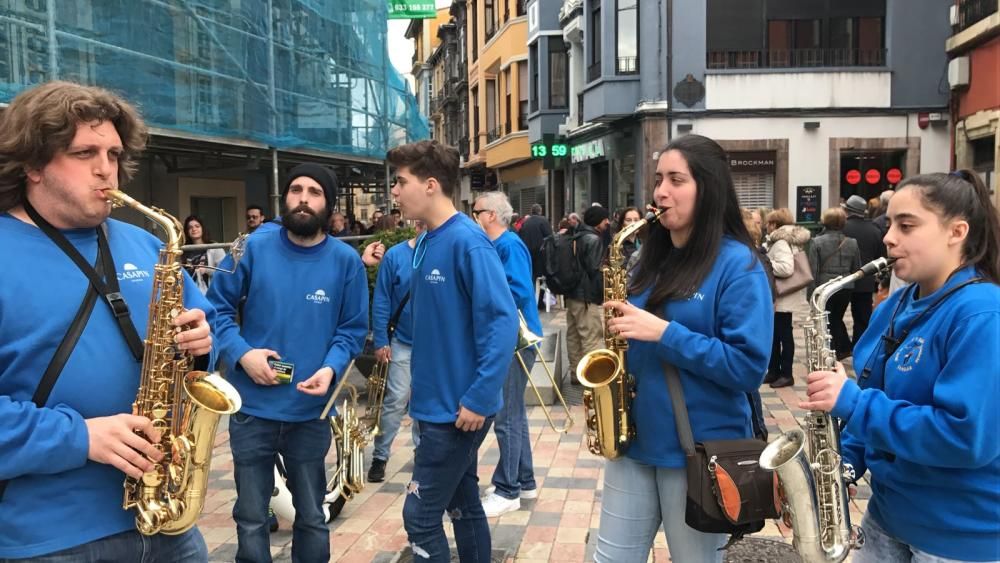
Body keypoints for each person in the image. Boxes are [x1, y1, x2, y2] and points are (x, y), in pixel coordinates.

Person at [0, 81, 215, 561]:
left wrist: (203, 341)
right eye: (84, 153)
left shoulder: (144, 243)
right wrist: (79, 437)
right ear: (32, 163)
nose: (106, 170)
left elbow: (207, 323)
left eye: (114, 153)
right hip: (50, 538)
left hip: (167, 519)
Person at [802, 170, 1000, 562]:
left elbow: (966, 439)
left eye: (906, 226)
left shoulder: (982, 315)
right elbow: (876, 394)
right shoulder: (896, 304)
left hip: (957, 536)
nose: (889, 237)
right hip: (887, 519)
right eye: (890, 223)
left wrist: (854, 405)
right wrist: (845, 463)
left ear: (956, 232)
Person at [593, 134, 772, 562]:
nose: (660, 191)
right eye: (659, 179)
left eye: (676, 179)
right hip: (633, 445)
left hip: (697, 456)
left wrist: (664, 334)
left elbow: (748, 367)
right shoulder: (647, 261)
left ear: (707, 189)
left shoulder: (739, 266)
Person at [207, 163, 368, 563]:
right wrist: (243, 354)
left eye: (314, 192)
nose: (303, 198)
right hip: (253, 407)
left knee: (312, 516)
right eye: (296, 189)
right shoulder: (251, 248)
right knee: (249, 516)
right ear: (285, 197)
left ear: (328, 204)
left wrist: (330, 368)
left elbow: (351, 329)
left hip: (309, 412)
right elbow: (215, 310)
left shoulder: (345, 262)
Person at [387, 140, 518, 563]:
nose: (394, 191)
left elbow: (501, 323)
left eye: (400, 182)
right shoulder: (426, 242)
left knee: (420, 516)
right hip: (435, 406)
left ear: (429, 185)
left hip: (459, 412)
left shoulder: (469, 242)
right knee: (463, 505)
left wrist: (479, 398)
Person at [472, 192, 543, 517]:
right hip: (511, 339)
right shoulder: (500, 244)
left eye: (476, 211)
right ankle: (524, 482)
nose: (473, 217)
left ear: (491, 215)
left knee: (507, 417)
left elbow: (517, 291)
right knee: (515, 415)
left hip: (514, 340)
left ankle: (507, 489)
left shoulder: (508, 245)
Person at [367, 219, 426, 483]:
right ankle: (380, 456)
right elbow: (381, 298)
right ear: (417, 227)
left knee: (426, 403)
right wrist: (381, 339)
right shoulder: (395, 256)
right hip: (401, 341)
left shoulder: (444, 255)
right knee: (395, 400)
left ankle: (423, 454)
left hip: (434, 345)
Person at [763, 208, 811, 388]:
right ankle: (774, 370)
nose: (766, 226)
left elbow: (786, 268)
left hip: (783, 297)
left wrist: (765, 262)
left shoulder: (781, 242)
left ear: (774, 224)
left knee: (783, 335)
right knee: (777, 335)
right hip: (784, 296)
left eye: (768, 223)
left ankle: (785, 373)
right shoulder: (785, 241)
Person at [808, 207, 861, 360]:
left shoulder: (817, 242)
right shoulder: (852, 242)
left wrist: (811, 294)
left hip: (825, 287)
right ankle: (841, 348)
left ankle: (832, 350)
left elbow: (813, 270)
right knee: (836, 317)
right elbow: (857, 267)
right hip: (845, 287)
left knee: (828, 319)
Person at [564, 206, 609, 384]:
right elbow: (594, 269)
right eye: (605, 219)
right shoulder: (593, 239)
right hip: (585, 296)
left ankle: (576, 373)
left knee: (574, 335)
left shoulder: (577, 236)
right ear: (598, 221)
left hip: (572, 294)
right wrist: (601, 295)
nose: (607, 222)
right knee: (591, 336)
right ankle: (594, 376)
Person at [842, 194, 886, 345]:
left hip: (842, 279)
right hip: (866, 280)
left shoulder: (841, 228)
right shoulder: (874, 230)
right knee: (862, 318)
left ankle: (842, 346)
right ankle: (859, 345)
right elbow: (880, 255)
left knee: (835, 317)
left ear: (847, 210)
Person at [517, 203, 554, 301]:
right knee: (540, 278)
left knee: (530, 277)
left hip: (527, 254)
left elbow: (520, 236)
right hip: (540, 254)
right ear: (540, 211)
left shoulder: (525, 222)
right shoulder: (543, 221)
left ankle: (531, 298)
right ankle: (540, 300)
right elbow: (550, 237)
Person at [182, 215, 226, 294]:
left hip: (211, 294)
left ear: (203, 228)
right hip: (190, 294)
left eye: (197, 226)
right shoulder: (184, 250)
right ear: (186, 231)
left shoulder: (215, 247)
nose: (194, 229)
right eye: (190, 227)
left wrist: (206, 270)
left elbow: (224, 272)